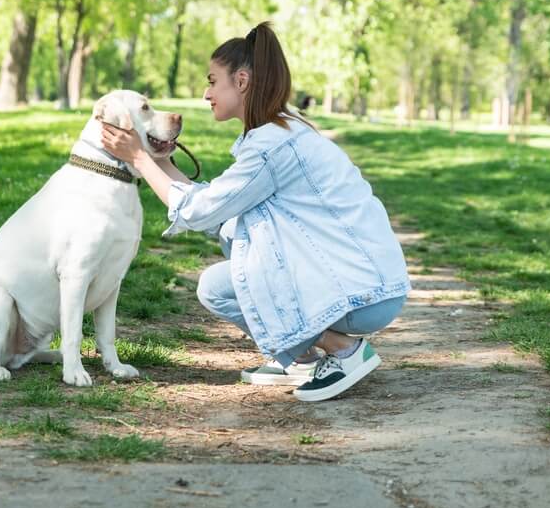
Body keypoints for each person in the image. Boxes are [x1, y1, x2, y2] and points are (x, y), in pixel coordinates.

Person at [101, 22, 410, 402]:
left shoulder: (270, 146)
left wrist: (137, 157)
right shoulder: (282, 129)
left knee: (216, 287)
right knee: (236, 236)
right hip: (368, 281)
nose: (206, 94)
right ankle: (302, 357)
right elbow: (217, 211)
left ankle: (344, 350)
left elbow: (198, 213)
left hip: (362, 294)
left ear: (242, 81)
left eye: (213, 82)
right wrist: (155, 155)